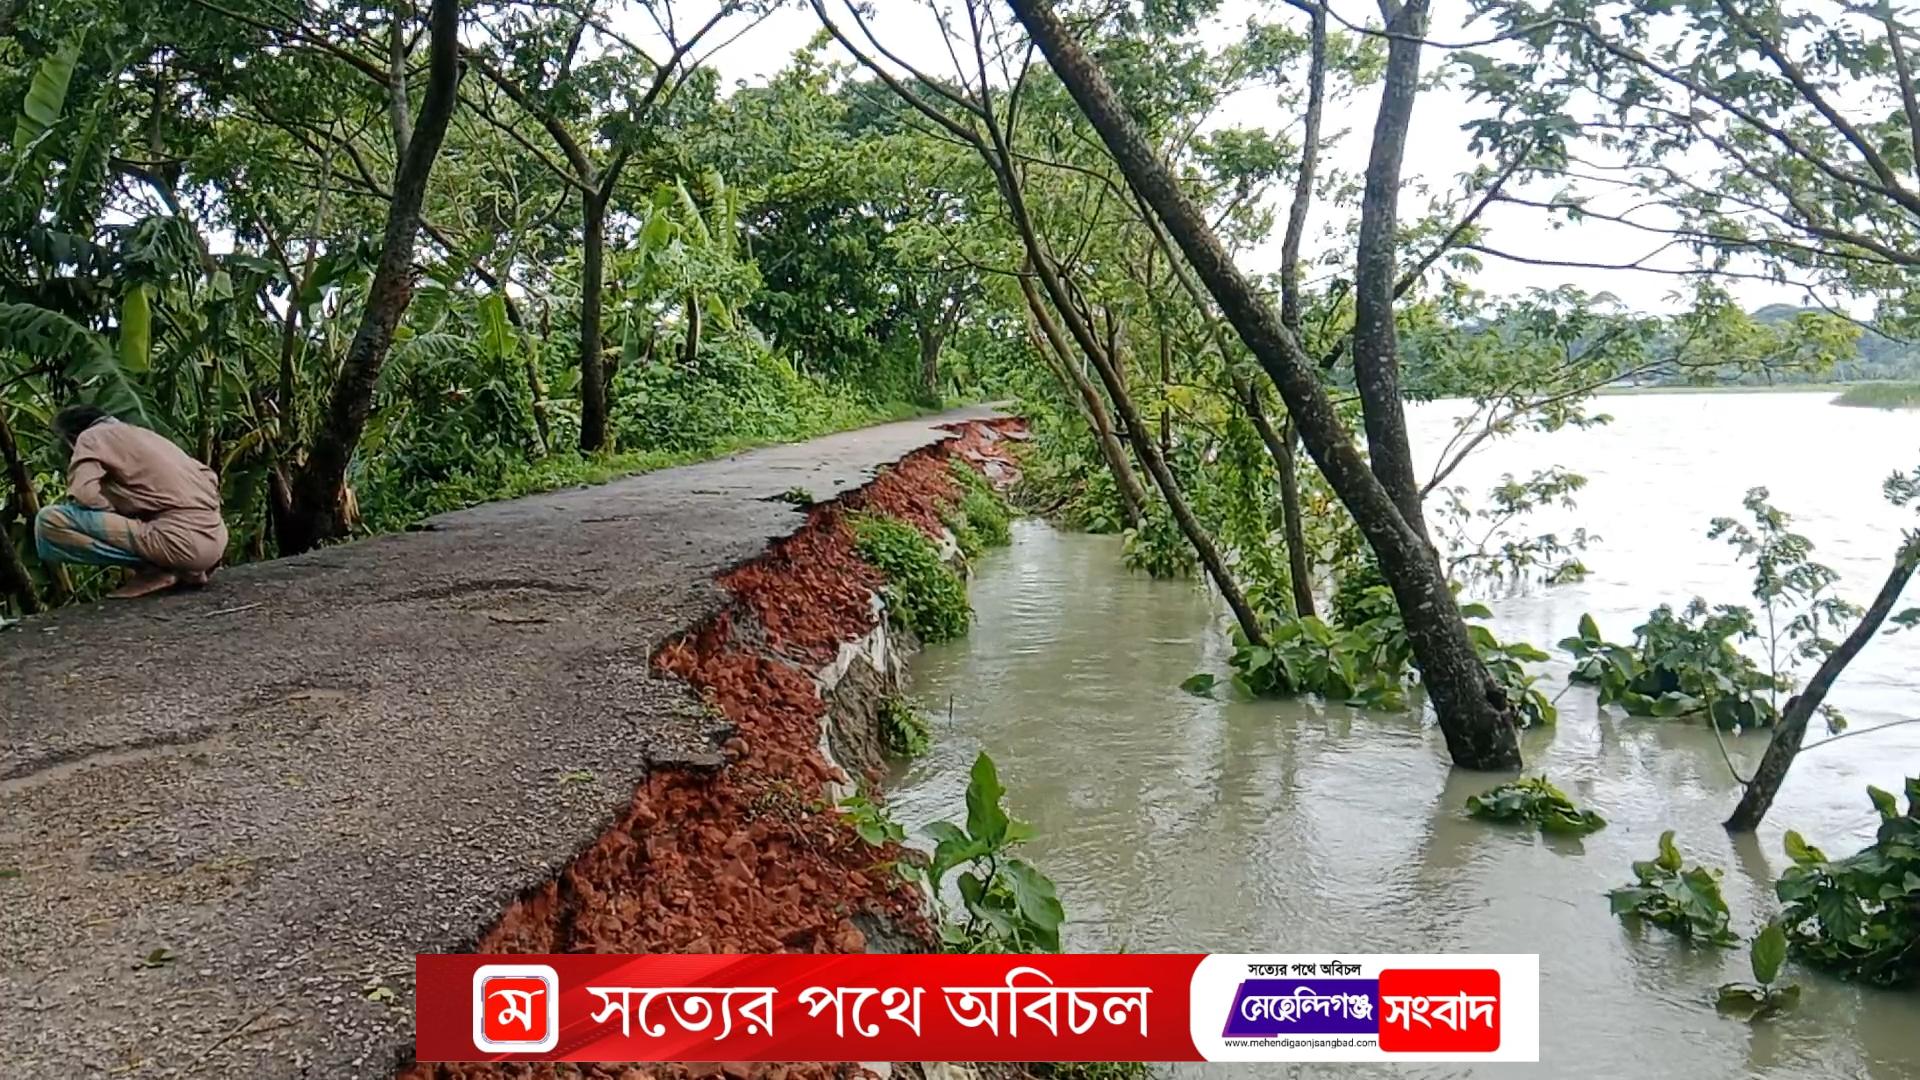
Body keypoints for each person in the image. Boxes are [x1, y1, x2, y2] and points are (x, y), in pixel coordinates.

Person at [33, 404, 228, 599]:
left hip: (182, 544)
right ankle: (186, 568)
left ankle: (158, 569)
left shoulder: (90, 437)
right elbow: (209, 476)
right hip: (215, 538)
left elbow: (85, 495)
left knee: (49, 521)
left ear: (70, 439)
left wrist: (111, 510)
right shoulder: (143, 434)